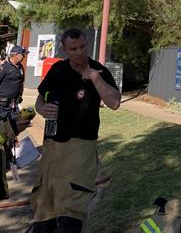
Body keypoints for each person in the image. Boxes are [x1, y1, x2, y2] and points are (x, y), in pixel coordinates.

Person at [32, 28, 121, 233]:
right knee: (46, 207)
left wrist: (95, 79)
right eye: (73, 49)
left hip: (82, 146)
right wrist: (42, 108)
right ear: (64, 49)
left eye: (82, 46)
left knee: (71, 211)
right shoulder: (58, 70)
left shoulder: (99, 70)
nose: (79, 52)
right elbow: (40, 97)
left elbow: (114, 102)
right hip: (53, 146)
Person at [0, 45, 30, 199]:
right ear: (15, 54)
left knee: (12, 136)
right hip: (1, 107)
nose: (24, 57)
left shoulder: (20, 68)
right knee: (2, 136)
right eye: (22, 54)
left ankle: (11, 166)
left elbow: (21, 85)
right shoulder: (3, 68)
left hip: (13, 106)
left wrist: (19, 99)